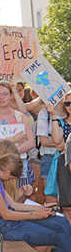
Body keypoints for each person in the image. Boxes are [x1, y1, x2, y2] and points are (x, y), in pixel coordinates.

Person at [0, 140, 71, 252]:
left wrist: (41, 209)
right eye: (11, 177)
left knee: (62, 224)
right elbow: (6, 214)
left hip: (9, 222)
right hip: (3, 227)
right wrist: (34, 215)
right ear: (7, 171)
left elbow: (13, 205)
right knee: (60, 236)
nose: (10, 179)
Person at [0, 82, 35, 198]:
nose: (1, 98)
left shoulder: (21, 117)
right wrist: (12, 140)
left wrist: (10, 152)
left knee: (22, 198)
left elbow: (31, 142)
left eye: (5, 94)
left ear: (11, 96)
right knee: (0, 201)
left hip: (19, 165)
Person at [48, 91, 71, 223]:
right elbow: (58, 143)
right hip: (63, 164)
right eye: (67, 103)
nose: (70, 106)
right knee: (66, 205)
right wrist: (53, 115)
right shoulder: (60, 121)